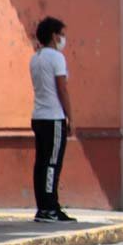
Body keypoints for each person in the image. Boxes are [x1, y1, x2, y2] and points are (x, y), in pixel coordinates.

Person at [30, 17, 76, 223]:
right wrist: (70, 118)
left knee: (41, 163)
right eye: (61, 35)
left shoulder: (35, 58)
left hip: (38, 116)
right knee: (52, 164)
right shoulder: (56, 58)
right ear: (53, 35)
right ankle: (51, 207)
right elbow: (62, 89)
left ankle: (42, 207)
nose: (63, 39)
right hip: (53, 117)